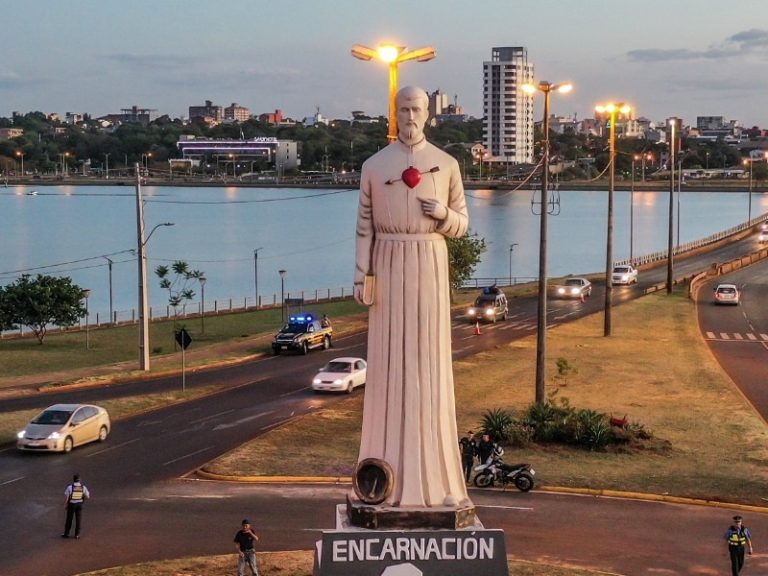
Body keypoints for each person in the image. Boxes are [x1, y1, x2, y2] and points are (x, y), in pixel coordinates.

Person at [354, 85, 470, 509]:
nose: (410, 115)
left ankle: (433, 474)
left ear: (428, 113)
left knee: (428, 355)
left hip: (428, 260)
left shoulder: (447, 164)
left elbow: (463, 223)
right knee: (387, 357)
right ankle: (383, 467)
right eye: (403, 109)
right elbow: (364, 225)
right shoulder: (374, 166)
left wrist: (442, 216)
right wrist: (360, 273)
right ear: (395, 112)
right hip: (387, 259)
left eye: (417, 108)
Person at [62, 474, 89, 539]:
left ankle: (66, 534)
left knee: (69, 519)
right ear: (80, 480)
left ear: (73, 480)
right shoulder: (83, 487)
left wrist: (65, 504)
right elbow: (88, 497)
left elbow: (66, 497)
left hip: (71, 505)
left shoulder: (70, 487)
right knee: (78, 519)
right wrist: (82, 498)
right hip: (79, 504)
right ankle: (77, 535)